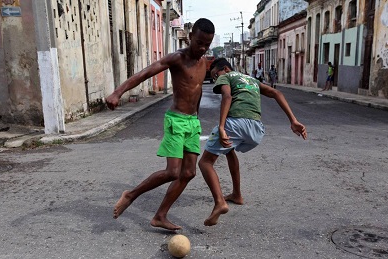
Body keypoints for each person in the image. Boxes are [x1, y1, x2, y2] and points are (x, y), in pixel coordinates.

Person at [106, 18, 215, 231]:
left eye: (207, 45)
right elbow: (145, 73)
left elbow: (198, 91)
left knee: (189, 173)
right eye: (199, 42)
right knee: (173, 172)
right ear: (190, 36)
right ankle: (130, 195)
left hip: (192, 123)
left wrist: (197, 117)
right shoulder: (177, 58)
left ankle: (160, 216)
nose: (202, 48)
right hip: (176, 120)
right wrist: (118, 92)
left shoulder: (203, 63)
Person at [198, 58, 307, 226]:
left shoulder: (226, 76)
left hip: (235, 123)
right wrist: (293, 120)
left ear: (225, 69)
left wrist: (221, 126)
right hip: (256, 129)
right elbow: (277, 93)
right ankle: (237, 195)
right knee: (229, 150)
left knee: (205, 162)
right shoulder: (251, 79)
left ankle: (219, 202)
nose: (215, 79)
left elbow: (227, 96)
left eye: (215, 74)